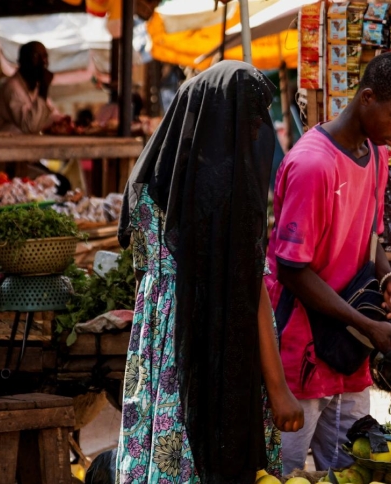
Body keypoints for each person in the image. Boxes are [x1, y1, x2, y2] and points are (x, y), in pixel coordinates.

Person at [116, 61, 303, 483]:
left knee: (165, 452)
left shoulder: (148, 175)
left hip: (159, 343)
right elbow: (247, 287)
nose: (256, 133)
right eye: (250, 120)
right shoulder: (222, 189)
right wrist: (278, 387)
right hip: (211, 336)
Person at [266, 52, 391, 472]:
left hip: (348, 357)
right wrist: (367, 323)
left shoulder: (376, 157)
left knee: (357, 472)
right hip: (300, 355)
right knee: (282, 474)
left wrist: (389, 277)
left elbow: (370, 235)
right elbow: (291, 269)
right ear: (367, 98)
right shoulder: (313, 165)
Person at [0, 41, 60, 134]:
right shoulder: (12, 88)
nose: (43, 62)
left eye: (45, 56)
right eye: (36, 56)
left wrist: (64, 122)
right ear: (22, 62)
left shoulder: (33, 88)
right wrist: (44, 88)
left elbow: (50, 115)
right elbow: (30, 126)